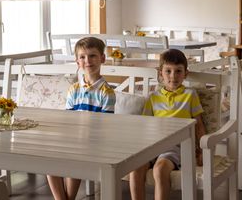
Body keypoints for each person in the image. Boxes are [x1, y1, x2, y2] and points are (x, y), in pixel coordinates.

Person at [129, 49, 206, 200]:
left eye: (178, 71)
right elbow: (145, 125)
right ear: (160, 73)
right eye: (168, 71)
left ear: (186, 74)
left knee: (160, 169)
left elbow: (199, 124)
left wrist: (202, 150)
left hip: (176, 145)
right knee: (135, 168)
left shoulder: (190, 95)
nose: (173, 76)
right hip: (152, 144)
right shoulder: (153, 97)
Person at [47, 36, 116, 200]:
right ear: (77, 62)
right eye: (83, 57)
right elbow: (69, 121)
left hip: (95, 143)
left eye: (93, 56)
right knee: (49, 159)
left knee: (75, 158)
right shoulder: (73, 90)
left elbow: (104, 127)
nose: (88, 60)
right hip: (74, 140)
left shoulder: (106, 92)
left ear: (102, 58)